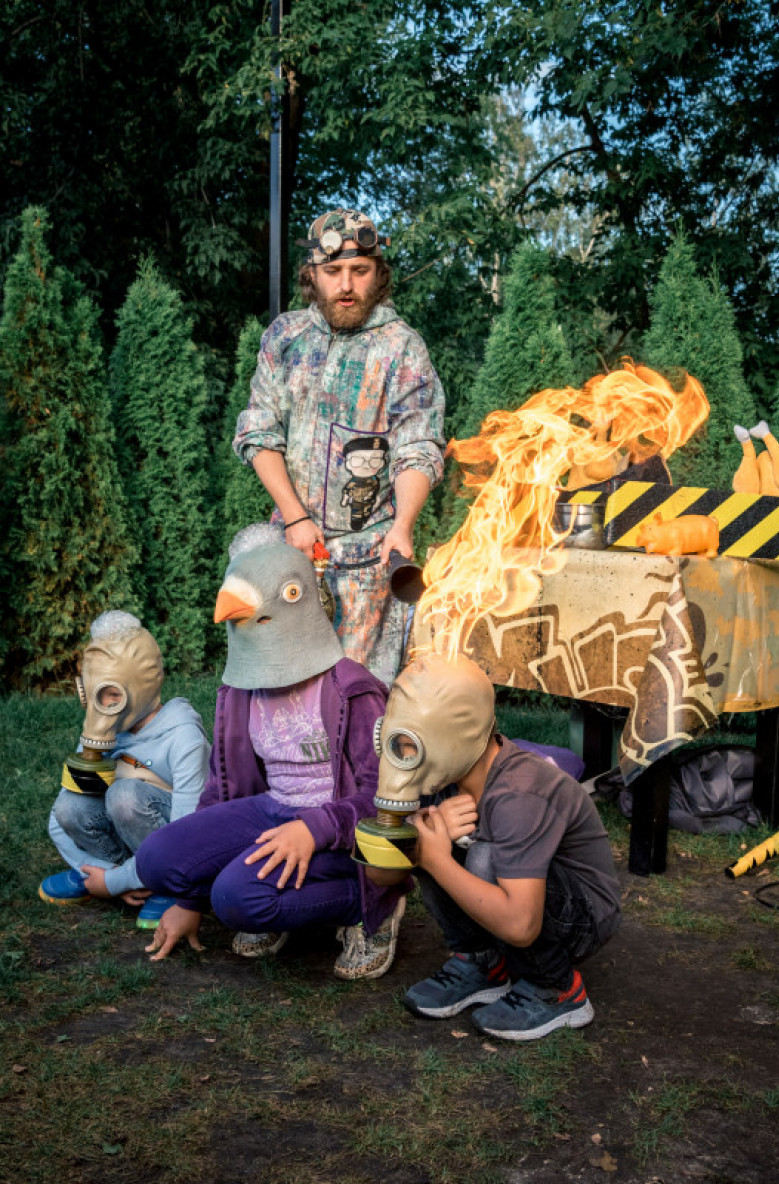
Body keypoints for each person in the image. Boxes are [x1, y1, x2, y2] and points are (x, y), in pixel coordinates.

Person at [135, 525, 407, 978]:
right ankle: (278, 891)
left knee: (236, 899)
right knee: (156, 859)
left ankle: (369, 905)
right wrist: (189, 901)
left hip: (341, 832)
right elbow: (222, 785)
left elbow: (387, 797)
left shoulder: (351, 689)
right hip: (272, 810)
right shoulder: (241, 690)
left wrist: (314, 829)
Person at [233, 208, 445, 686]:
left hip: (369, 569)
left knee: (358, 701)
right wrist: (295, 519)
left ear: (378, 274)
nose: (346, 285)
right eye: (333, 271)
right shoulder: (285, 338)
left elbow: (419, 446)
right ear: (312, 274)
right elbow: (259, 432)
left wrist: (403, 527)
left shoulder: (402, 348)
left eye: (360, 270)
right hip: (290, 559)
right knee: (285, 696)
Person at [364, 653, 621, 1042]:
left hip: (581, 915)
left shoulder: (519, 792)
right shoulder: (438, 773)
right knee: (427, 833)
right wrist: (417, 834)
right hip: (520, 900)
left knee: (480, 855)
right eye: (396, 743)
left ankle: (557, 989)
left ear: (457, 734)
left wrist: (435, 858)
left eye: (410, 745)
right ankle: (484, 964)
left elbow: (521, 925)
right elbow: (378, 875)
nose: (403, 757)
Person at [39, 612, 210, 930]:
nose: (102, 705)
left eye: (113, 694)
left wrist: (115, 883)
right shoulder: (104, 732)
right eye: (93, 693)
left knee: (124, 795)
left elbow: (189, 833)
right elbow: (59, 819)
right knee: (70, 805)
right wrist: (107, 875)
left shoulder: (184, 738)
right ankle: (110, 874)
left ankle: (164, 884)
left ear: (141, 686)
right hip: (125, 852)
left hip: (177, 843)